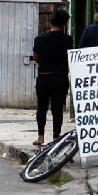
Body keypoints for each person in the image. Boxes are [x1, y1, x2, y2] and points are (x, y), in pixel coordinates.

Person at [31, 8, 73, 146]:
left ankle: (41, 137)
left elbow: (36, 57)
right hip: (60, 77)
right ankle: (56, 137)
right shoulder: (68, 40)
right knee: (57, 109)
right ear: (64, 24)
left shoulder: (40, 39)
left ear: (52, 21)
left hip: (43, 77)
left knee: (42, 107)